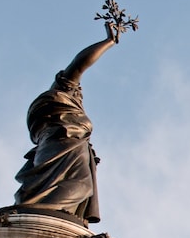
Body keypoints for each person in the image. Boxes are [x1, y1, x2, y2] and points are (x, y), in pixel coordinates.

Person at [13, 23, 117, 224]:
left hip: (71, 145)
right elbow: (79, 64)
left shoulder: (70, 110)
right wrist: (108, 42)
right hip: (63, 141)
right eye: (77, 91)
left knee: (77, 186)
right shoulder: (64, 93)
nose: (79, 93)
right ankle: (45, 208)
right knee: (78, 185)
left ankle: (55, 210)